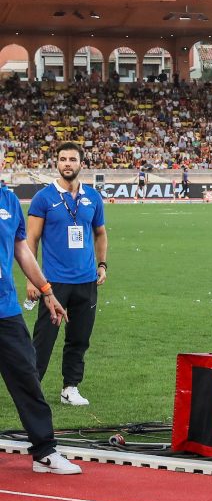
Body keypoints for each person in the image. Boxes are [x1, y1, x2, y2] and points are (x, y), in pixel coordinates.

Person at [0, 182, 80, 474]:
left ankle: (45, 451)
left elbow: (21, 248)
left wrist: (47, 291)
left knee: (27, 377)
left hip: (5, 310)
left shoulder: (8, 200)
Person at [26, 142, 107, 406]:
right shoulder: (43, 198)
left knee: (79, 339)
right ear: (57, 164)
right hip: (53, 283)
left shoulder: (93, 197)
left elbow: (101, 233)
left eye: (72, 159)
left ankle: (70, 388)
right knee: (44, 339)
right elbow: (31, 240)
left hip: (86, 281)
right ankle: (31, 390)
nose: (67, 164)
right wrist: (32, 279)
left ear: (81, 164)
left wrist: (102, 265)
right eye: (63, 159)